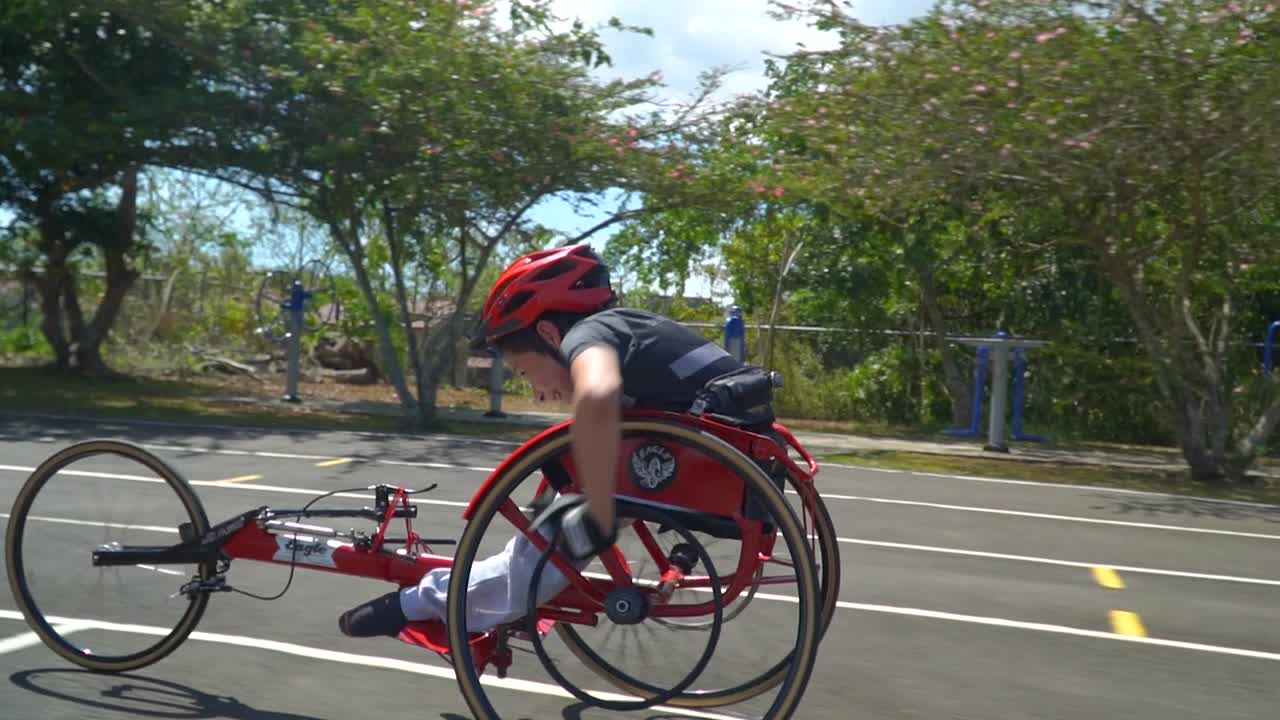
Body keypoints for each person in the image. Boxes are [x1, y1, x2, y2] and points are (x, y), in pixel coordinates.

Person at [338, 243, 746, 639]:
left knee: (537, 558)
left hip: (688, 466)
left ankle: (416, 603)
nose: (536, 394)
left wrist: (598, 507)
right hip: (725, 459)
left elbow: (597, 394)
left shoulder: (589, 335)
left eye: (524, 372)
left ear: (549, 334)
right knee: (567, 492)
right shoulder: (637, 327)